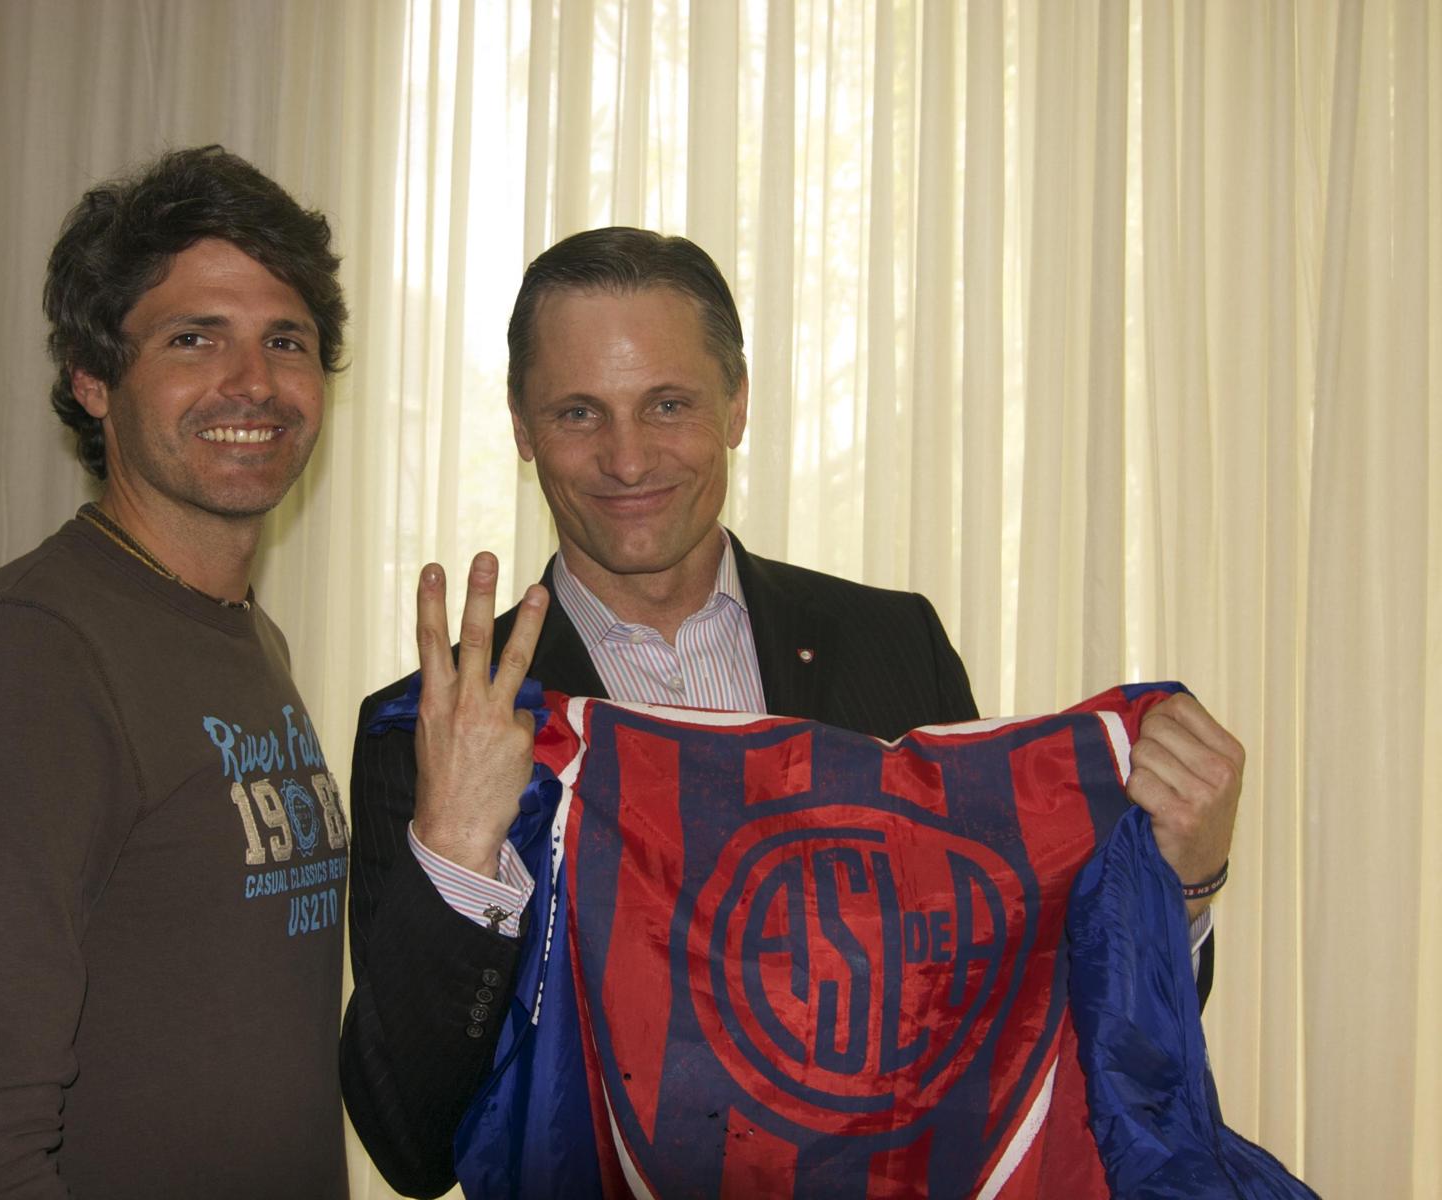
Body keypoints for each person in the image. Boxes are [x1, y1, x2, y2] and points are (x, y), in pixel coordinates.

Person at [339, 227, 1243, 1198]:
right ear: (521, 427)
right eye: (577, 412)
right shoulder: (436, 723)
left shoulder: (895, 644)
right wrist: (458, 852)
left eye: (669, 404)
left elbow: (1034, 1014)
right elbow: (410, 1149)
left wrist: (1180, 888)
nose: (627, 458)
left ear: (737, 404)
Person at [0, 146, 351, 1199]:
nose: (254, 382)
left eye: (286, 340)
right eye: (193, 338)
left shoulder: (244, 638)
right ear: (93, 379)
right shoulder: (22, 660)